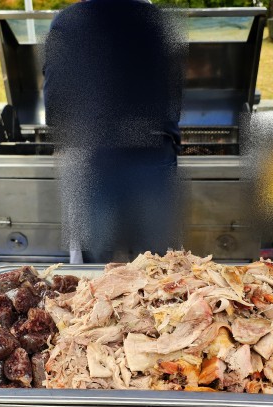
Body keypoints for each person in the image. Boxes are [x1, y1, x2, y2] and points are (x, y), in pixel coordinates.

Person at [42, 0, 185, 263]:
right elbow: (173, 90)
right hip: (154, 152)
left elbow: (55, 102)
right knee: (157, 262)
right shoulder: (155, 18)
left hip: (95, 155)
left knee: (98, 263)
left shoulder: (68, 21)